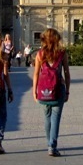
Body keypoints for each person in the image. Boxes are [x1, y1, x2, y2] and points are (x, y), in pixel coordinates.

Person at [32, 28, 71, 157]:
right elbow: (66, 72)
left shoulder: (39, 54)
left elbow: (36, 73)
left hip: (44, 91)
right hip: (58, 89)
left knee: (47, 118)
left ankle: (49, 144)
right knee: (55, 119)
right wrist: (68, 91)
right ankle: (52, 146)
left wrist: (34, 91)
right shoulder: (62, 53)